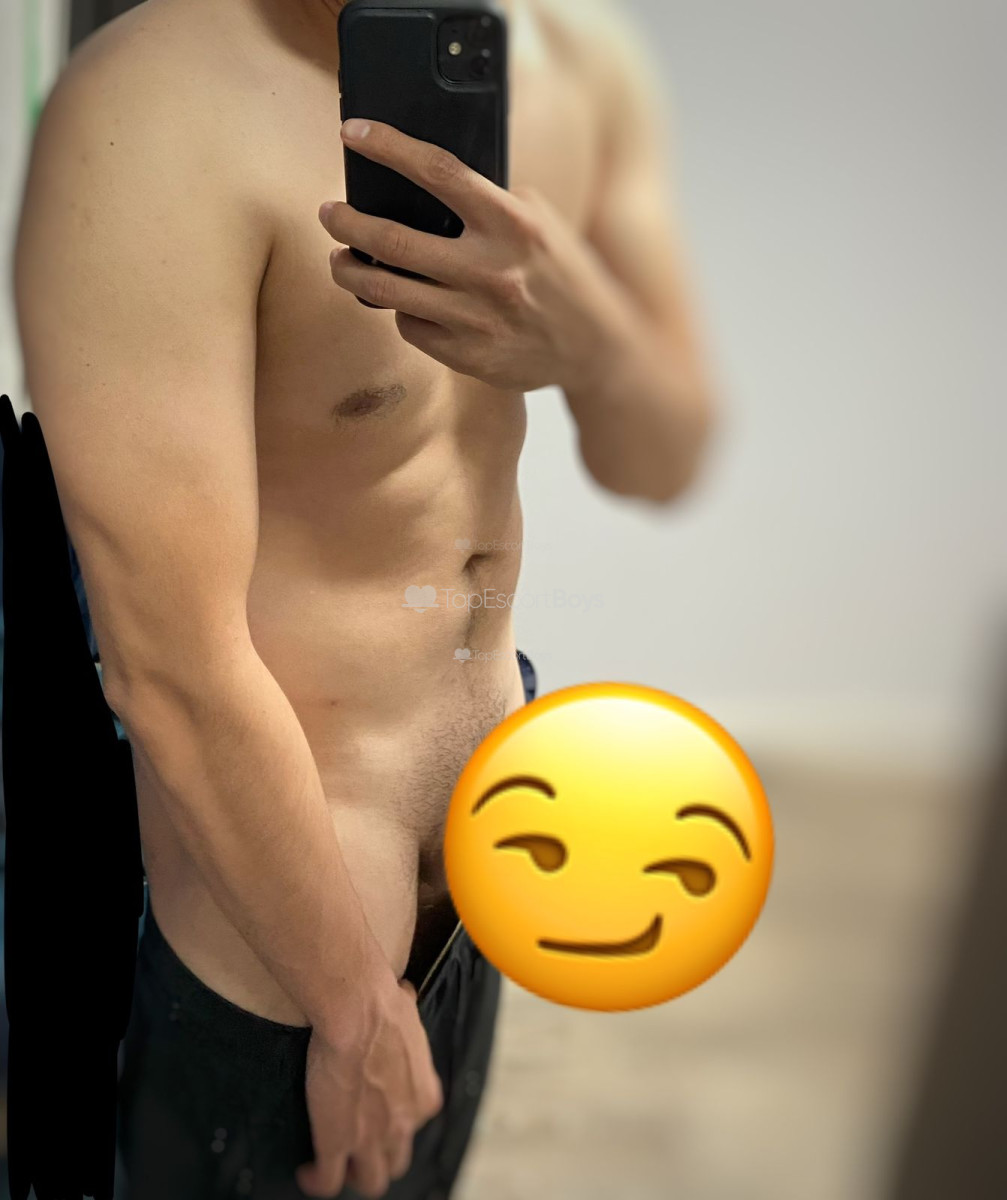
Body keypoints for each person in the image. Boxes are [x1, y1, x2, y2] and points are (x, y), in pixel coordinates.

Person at [12, 0, 717, 1195]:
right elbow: (168, 663)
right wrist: (351, 1007)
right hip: (290, 918)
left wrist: (591, 346)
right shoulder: (150, 116)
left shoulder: (577, 64)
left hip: (492, 833)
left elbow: (663, 459)